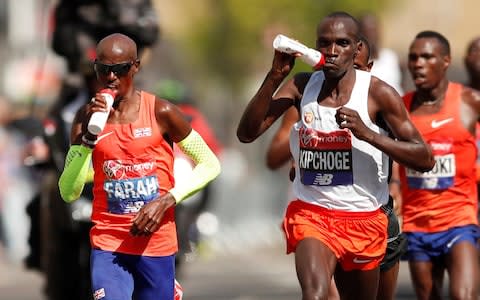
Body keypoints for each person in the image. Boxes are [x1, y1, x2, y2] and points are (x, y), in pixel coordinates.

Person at [237, 11, 434, 300]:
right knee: (315, 293)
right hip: (312, 214)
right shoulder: (302, 85)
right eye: (324, 43)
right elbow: (247, 133)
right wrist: (275, 76)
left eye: (342, 43)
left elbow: (424, 158)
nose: (332, 52)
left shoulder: (377, 94)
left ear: (357, 49)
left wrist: (367, 134)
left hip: (363, 218)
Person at [58, 33, 221, 300]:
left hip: (155, 245)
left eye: (120, 69)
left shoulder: (162, 112)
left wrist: (168, 200)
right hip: (108, 245)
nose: (111, 77)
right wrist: (87, 139)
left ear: (135, 67)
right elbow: (68, 191)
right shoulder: (85, 117)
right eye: (103, 69)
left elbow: (210, 164)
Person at [266, 36, 406, 300]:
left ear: (368, 67)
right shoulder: (307, 99)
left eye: (358, 70)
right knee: (322, 294)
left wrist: (394, 181)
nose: (349, 79)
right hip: (318, 214)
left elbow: (406, 151)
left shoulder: (378, 96)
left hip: (372, 214)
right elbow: (272, 156)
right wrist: (311, 142)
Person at [396, 30, 480, 300]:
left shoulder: (469, 101)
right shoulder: (399, 108)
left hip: (460, 219)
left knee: (463, 296)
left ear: (445, 61)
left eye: (427, 57)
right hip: (417, 224)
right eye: (413, 57)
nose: (418, 63)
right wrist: (393, 184)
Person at [155, 79, 223, 275]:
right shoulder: (193, 115)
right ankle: (186, 241)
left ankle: (186, 240)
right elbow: (211, 147)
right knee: (198, 202)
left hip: (167, 170)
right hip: (184, 170)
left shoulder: (155, 112)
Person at [358, 13, 404, 95]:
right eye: (367, 32)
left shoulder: (390, 56)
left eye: (374, 31)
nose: (372, 36)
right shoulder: (357, 65)